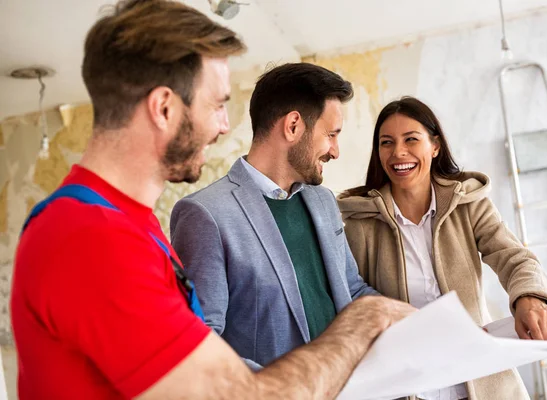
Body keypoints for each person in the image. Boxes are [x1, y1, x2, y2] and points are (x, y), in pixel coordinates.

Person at [9, 2, 415, 399]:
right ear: (164, 108)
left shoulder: (133, 228)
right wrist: (362, 324)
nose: (224, 126)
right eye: (218, 105)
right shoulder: (91, 238)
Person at [338, 97, 547, 400]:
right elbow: (353, 300)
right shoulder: (359, 221)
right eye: (386, 142)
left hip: (482, 382)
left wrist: (529, 297)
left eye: (411, 139)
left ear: (435, 146)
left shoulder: (468, 203)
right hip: (408, 388)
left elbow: (513, 257)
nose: (398, 152)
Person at [170, 62, 387, 370]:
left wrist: (406, 321)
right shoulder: (205, 215)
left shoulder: (323, 200)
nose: (335, 151)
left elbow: (350, 289)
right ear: (293, 126)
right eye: (331, 134)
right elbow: (202, 343)